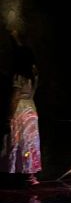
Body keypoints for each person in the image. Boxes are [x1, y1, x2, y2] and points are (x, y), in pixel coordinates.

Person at [4, 30, 41, 186]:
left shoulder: (19, 76)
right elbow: (24, 54)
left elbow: (15, 97)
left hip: (20, 110)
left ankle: (13, 172)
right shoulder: (34, 74)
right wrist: (15, 38)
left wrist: (9, 117)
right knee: (30, 142)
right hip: (31, 109)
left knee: (17, 142)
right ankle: (30, 175)